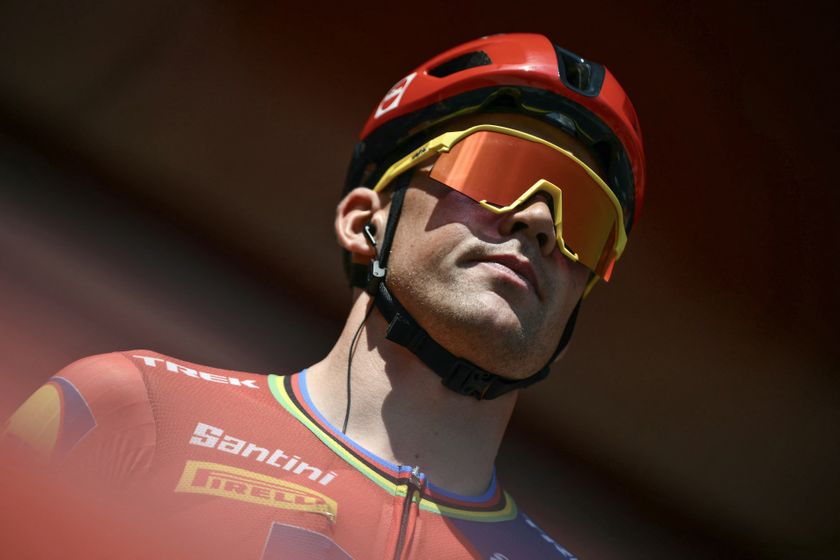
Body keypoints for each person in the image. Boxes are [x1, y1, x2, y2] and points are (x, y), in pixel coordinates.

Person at [1, 33, 645, 559]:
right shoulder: (125, 409)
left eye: (585, 224)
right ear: (364, 220)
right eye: (496, 170)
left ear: (569, 325)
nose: (537, 223)